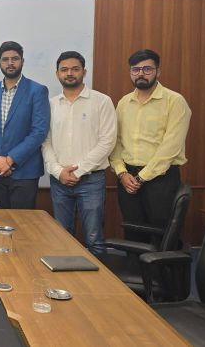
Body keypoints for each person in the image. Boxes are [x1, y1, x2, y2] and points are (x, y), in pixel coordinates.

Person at [109, 49, 191, 242]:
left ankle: (162, 274)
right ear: (130, 72)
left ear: (158, 72)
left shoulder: (175, 101)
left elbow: (171, 146)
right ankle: (134, 272)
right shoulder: (123, 102)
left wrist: (141, 177)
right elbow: (116, 142)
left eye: (147, 69)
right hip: (127, 179)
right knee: (132, 232)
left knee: (161, 233)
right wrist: (122, 173)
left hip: (160, 179)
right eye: (135, 69)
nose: (141, 74)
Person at [42, 51, 116, 256]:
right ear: (57, 73)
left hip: (91, 180)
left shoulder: (102, 101)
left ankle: (99, 287)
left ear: (84, 71)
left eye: (75, 69)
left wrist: (78, 171)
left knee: (94, 239)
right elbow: (45, 142)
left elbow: (107, 142)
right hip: (59, 181)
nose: (69, 73)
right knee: (62, 236)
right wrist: (58, 172)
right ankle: (67, 285)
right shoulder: (50, 104)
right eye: (64, 70)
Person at [0, 41, 50, 209]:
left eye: (15, 59)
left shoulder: (37, 91)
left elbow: (39, 131)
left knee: (22, 227)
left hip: (24, 172)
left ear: (22, 61)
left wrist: (10, 160)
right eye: (5, 59)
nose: (10, 63)